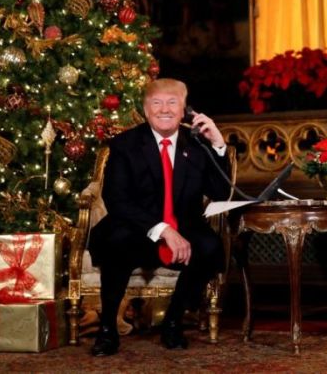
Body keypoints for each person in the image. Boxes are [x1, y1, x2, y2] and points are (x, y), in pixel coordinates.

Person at [88, 78, 231, 356]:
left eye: (172, 102)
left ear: (184, 110)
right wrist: (163, 229)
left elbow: (220, 191)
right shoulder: (124, 144)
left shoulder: (198, 144)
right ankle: (107, 330)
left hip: (185, 225)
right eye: (157, 103)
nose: (164, 109)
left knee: (210, 247)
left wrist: (218, 145)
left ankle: (173, 322)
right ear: (145, 109)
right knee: (115, 241)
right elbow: (116, 200)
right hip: (135, 226)